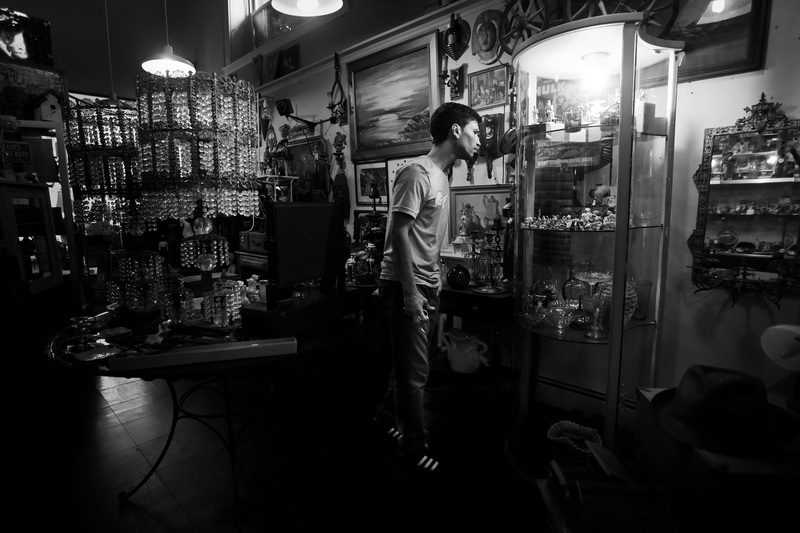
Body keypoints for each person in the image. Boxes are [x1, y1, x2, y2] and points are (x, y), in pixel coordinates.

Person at [374, 102, 482, 472]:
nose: (480, 140)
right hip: (409, 284)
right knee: (415, 373)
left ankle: (387, 421)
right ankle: (414, 448)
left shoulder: (443, 175)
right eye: (476, 132)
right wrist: (409, 291)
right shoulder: (416, 173)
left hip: (426, 282)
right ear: (456, 131)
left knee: (407, 365)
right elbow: (399, 234)